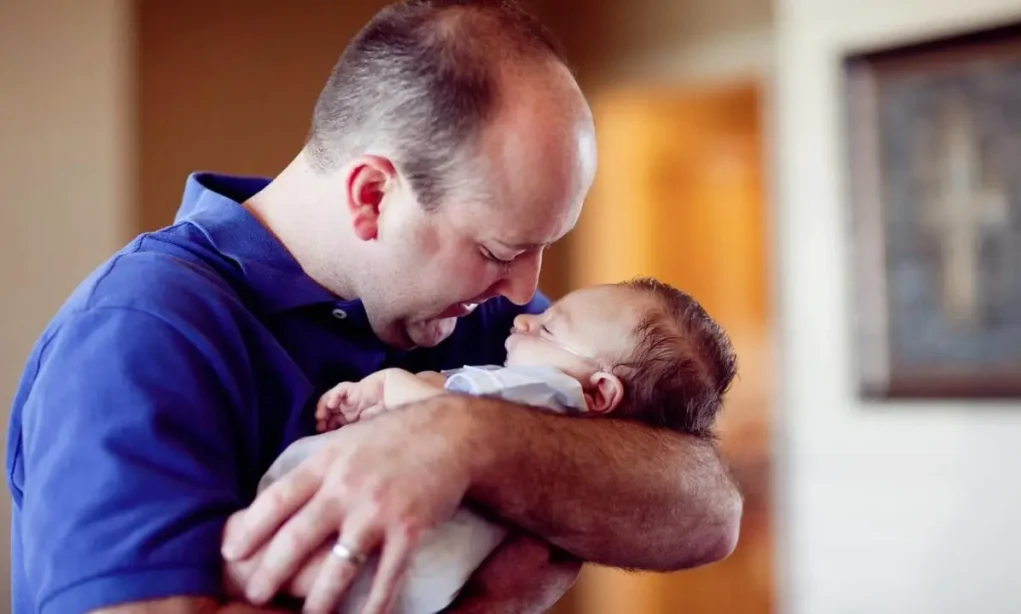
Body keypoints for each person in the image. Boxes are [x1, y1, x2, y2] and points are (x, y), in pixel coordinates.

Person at [6, 1, 742, 614]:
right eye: (495, 251)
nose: (523, 293)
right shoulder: (138, 337)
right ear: (371, 196)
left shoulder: (488, 326)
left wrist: (465, 437)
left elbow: (709, 509)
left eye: (539, 250)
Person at [256, 278, 738, 614]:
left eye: (548, 327)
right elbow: (455, 393)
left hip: (391, 557)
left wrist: (387, 387)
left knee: (274, 570)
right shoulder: (549, 388)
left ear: (598, 393)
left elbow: (446, 411)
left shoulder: (549, 395)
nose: (526, 316)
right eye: (498, 248)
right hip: (411, 574)